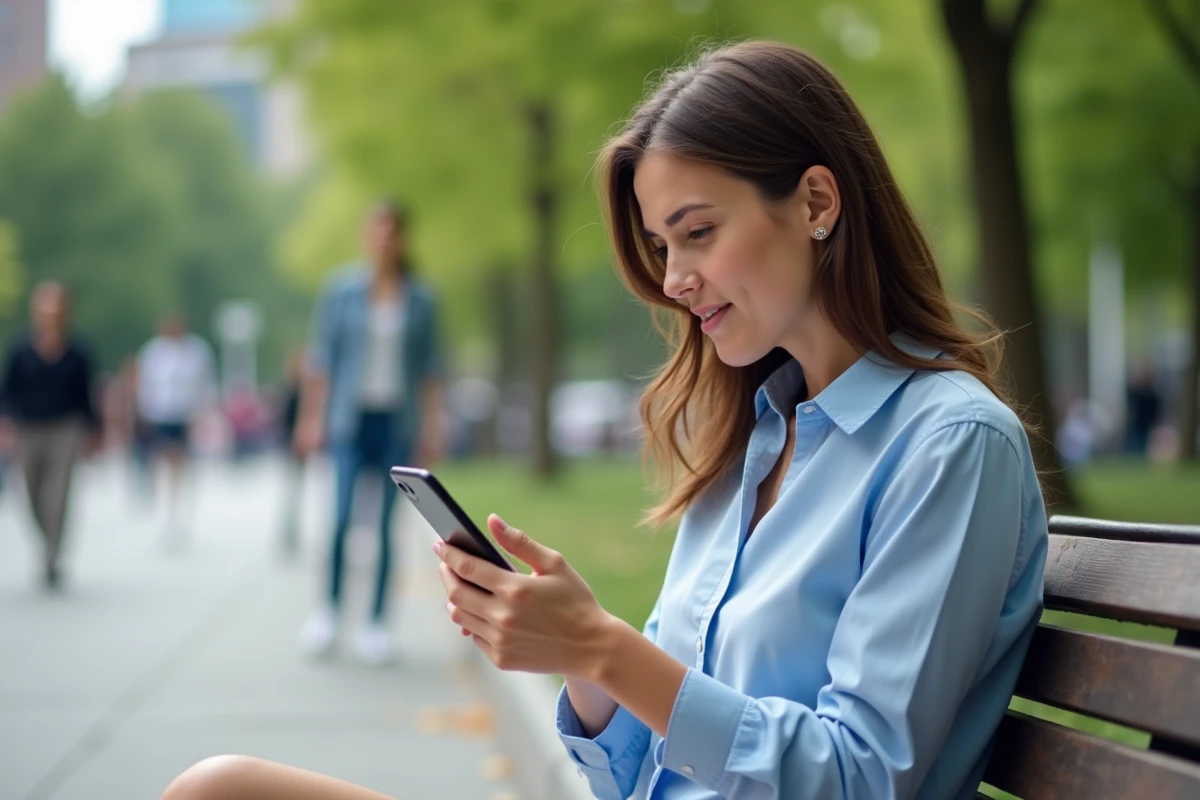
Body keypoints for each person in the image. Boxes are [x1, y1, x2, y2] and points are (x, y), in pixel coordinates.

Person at [159, 41, 1048, 800]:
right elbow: (635, 776)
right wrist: (584, 660)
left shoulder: (950, 445)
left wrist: (612, 653)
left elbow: (860, 779)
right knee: (216, 787)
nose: (672, 279)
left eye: (697, 232)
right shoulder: (751, 440)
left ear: (817, 202)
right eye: (663, 246)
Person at [292, 199, 447, 665]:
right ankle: (329, 613)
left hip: (395, 424)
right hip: (349, 421)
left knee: (383, 527)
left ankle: (377, 624)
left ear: (401, 239)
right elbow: (322, 360)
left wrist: (433, 426)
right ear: (366, 236)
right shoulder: (340, 291)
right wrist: (310, 418)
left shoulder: (420, 298)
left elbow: (431, 370)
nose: (383, 239)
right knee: (340, 520)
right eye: (376, 230)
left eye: (391, 231)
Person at [0, 281, 100, 589]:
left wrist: (95, 432)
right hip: (28, 428)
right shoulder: (21, 348)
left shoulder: (78, 350)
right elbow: (8, 390)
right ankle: (47, 539)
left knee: (57, 495)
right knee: (30, 493)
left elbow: (86, 395)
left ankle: (52, 557)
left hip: (66, 429)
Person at [136, 314, 217, 548]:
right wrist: (144, 413)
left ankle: (182, 510)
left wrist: (204, 413)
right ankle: (165, 511)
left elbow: (206, 383)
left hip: (186, 415)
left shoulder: (197, 351)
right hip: (160, 415)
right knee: (163, 464)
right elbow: (147, 386)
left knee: (183, 466)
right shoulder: (152, 351)